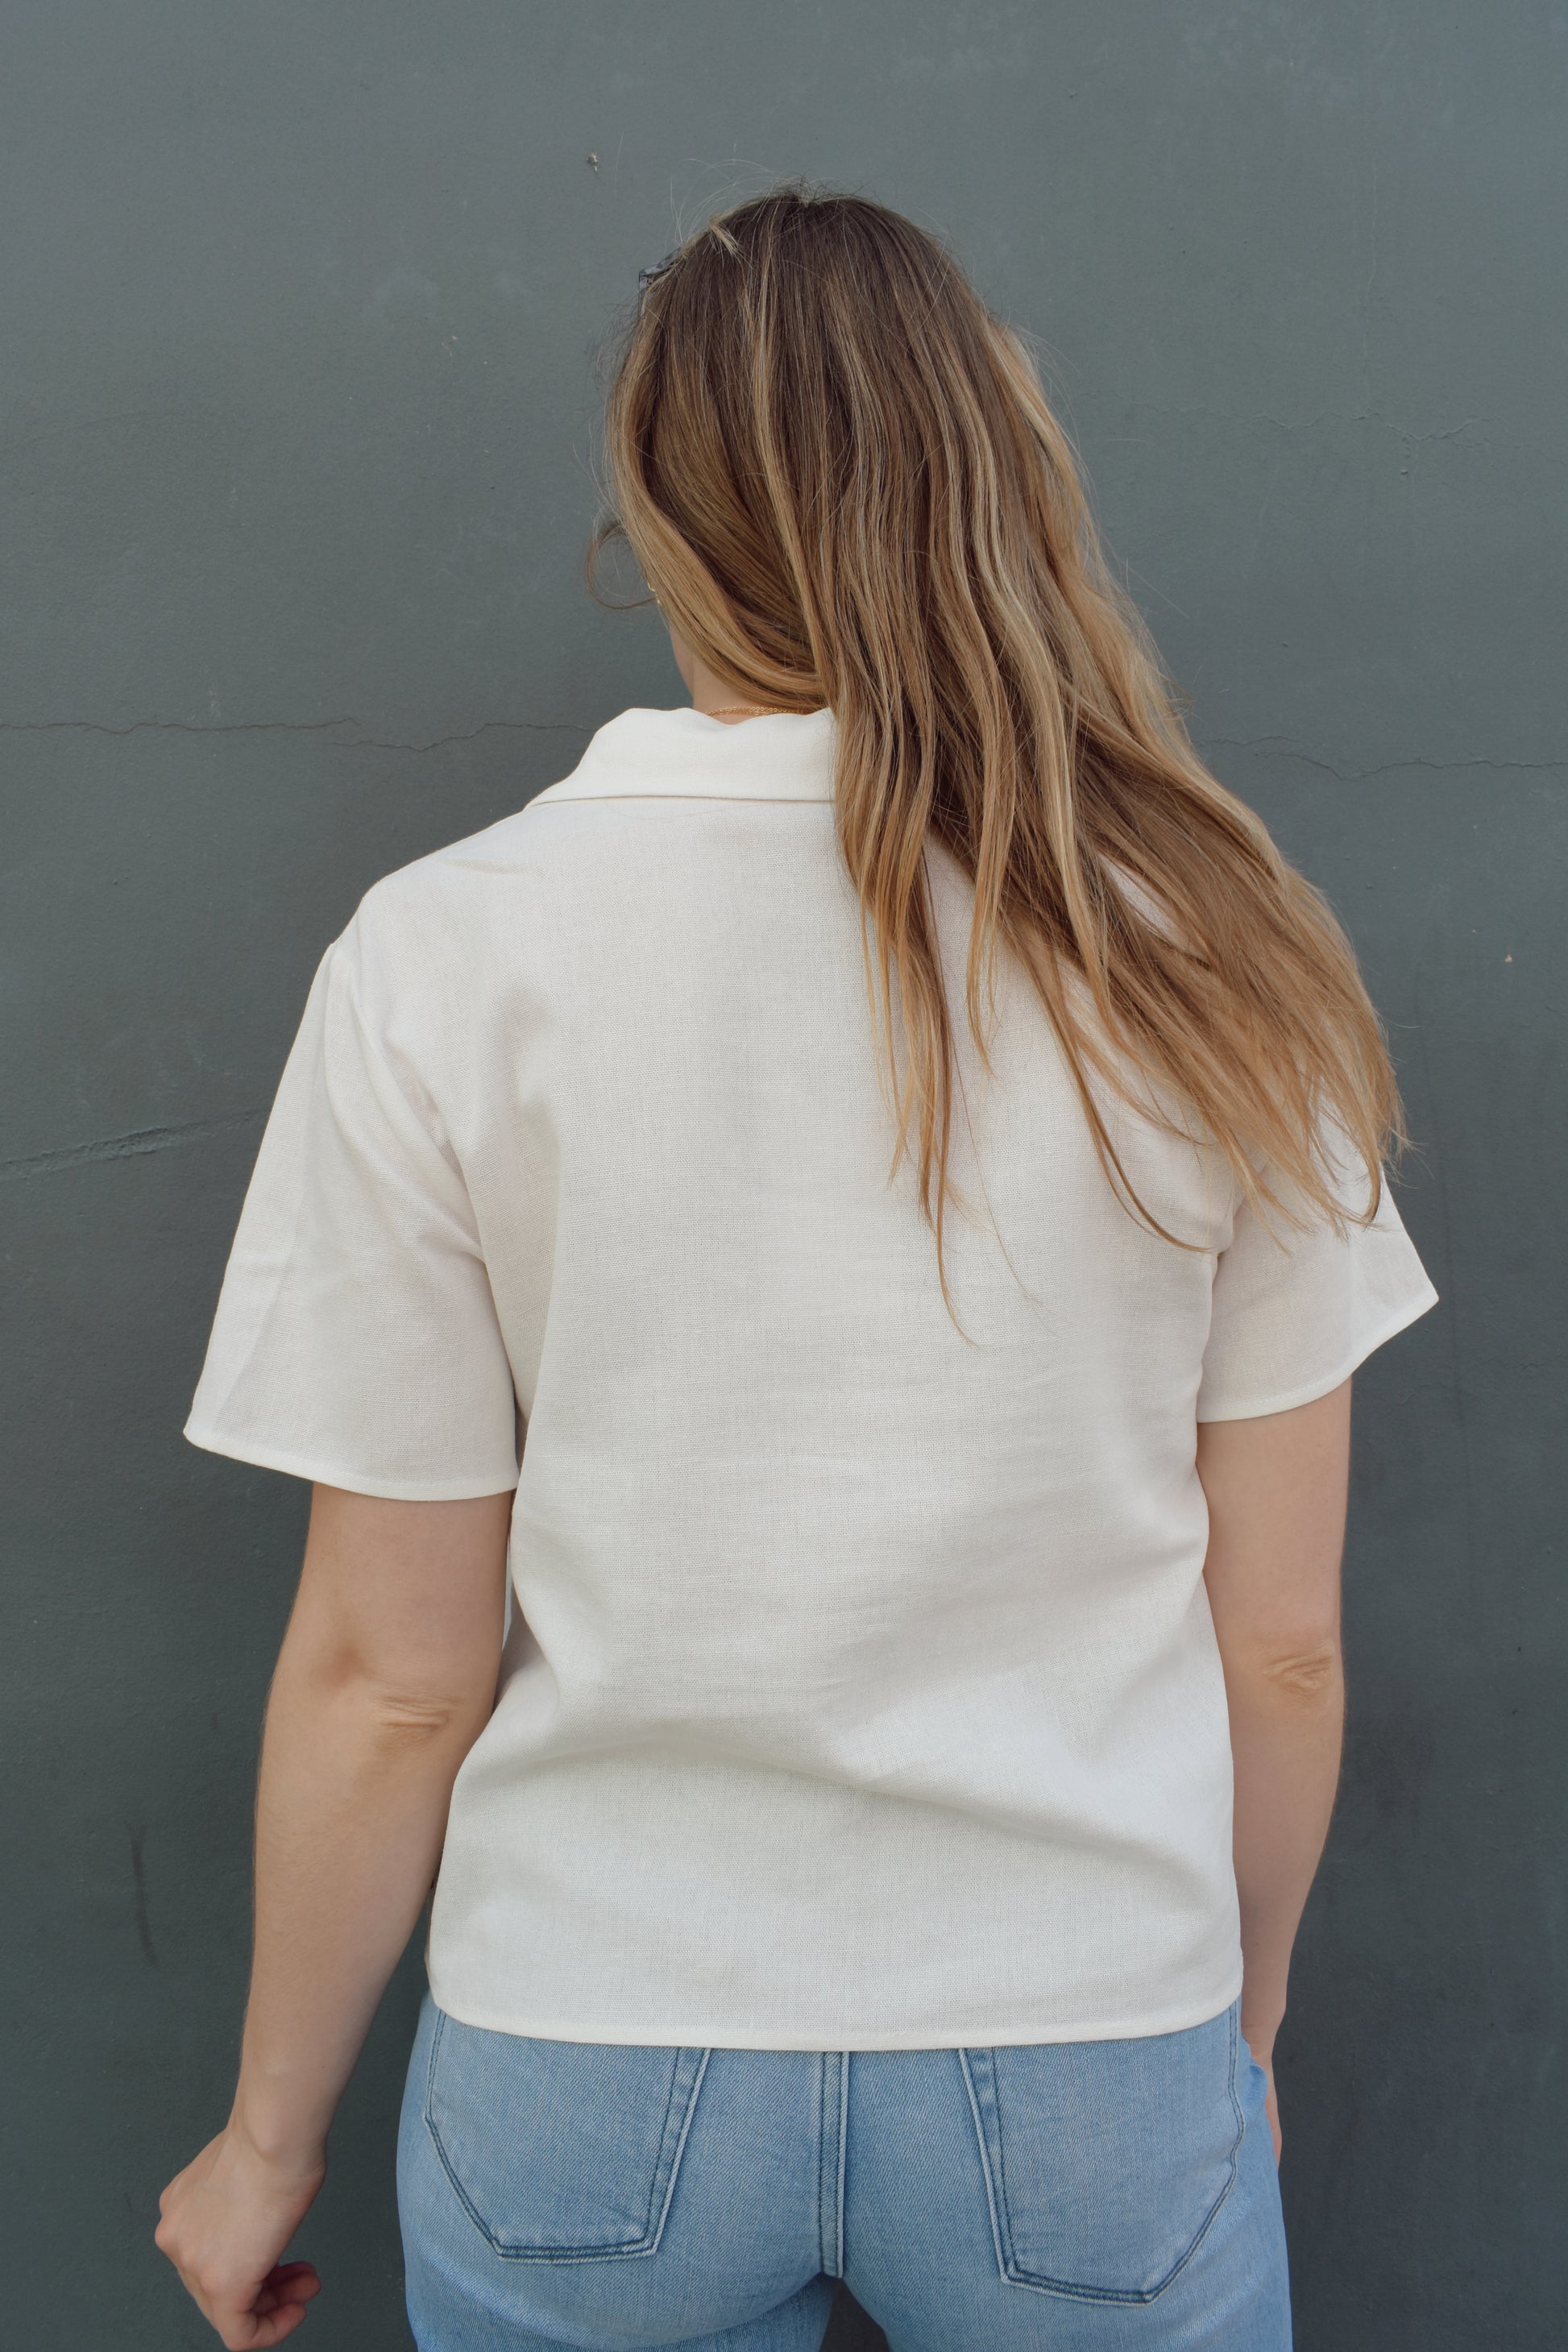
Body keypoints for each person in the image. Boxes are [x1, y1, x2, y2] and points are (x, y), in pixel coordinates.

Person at [155, 185, 1437, 2352]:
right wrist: (1238, 2013)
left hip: (591, 2044)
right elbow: (1281, 1637)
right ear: (993, 473)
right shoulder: (1211, 958)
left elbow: (390, 1676)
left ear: (654, 517)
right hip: (1089, 2037)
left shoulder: (448, 956)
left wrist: (265, 2134)